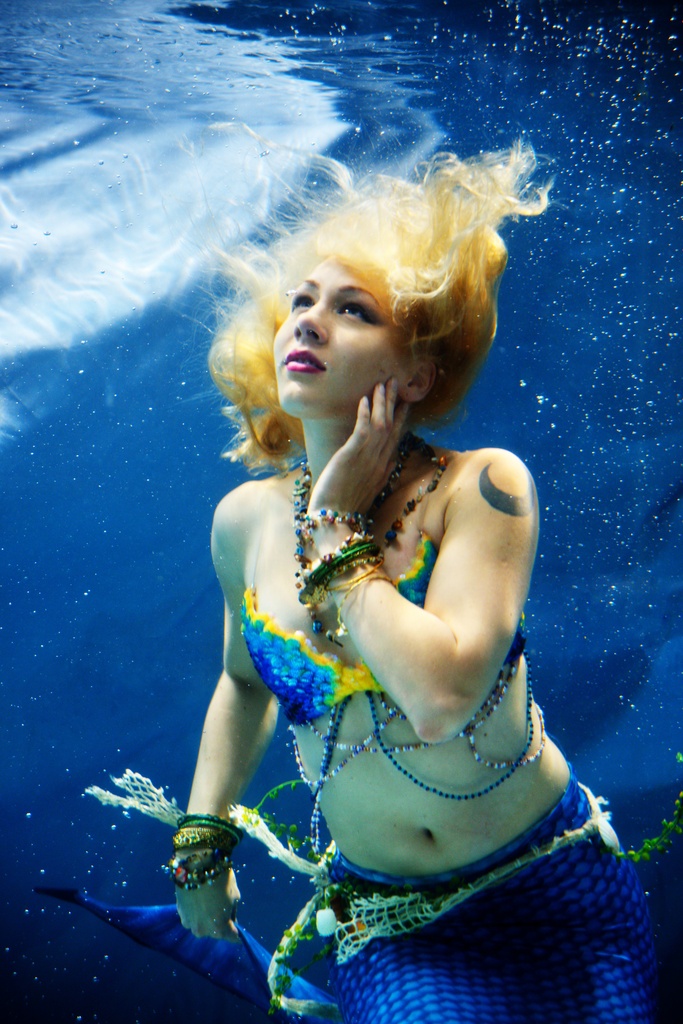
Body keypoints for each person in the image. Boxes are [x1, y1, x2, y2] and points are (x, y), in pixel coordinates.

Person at [164, 144, 657, 1023]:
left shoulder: (480, 488)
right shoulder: (243, 522)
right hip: (388, 921)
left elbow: (439, 698)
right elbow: (242, 683)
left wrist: (335, 530)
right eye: (300, 302)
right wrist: (202, 838)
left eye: (352, 310)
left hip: (554, 890)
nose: (308, 323)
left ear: (417, 373)